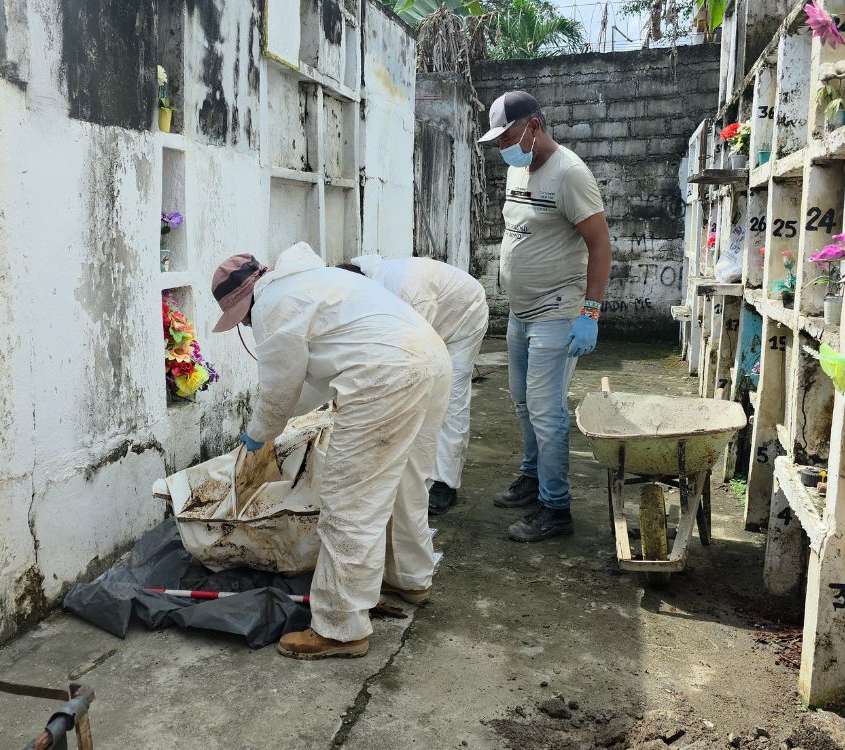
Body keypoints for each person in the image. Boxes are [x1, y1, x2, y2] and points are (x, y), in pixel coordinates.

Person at [209, 243, 450, 660]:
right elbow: (312, 380)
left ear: (245, 301)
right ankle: (409, 577)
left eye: (241, 318)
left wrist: (258, 434)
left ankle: (340, 627)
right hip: (430, 358)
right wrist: (270, 427)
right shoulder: (314, 282)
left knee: (349, 499)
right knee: (406, 481)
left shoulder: (273, 307)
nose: (246, 325)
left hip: (386, 376)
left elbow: (279, 393)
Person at [477, 90, 612, 543]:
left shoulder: (570, 174)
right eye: (496, 140)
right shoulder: (519, 167)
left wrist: (589, 312)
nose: (502, 148)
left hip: (557, 309)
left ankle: (556, 509)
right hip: (521, 312)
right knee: (522, 403)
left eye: (507, 136)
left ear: (533, 126)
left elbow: (600, 245)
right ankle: (532, 478)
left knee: (546, 410)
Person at [339, 255, 489, 515]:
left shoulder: (407, 294)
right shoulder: (363, 289)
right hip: (432, 311)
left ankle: (444, 483)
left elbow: (414, 354)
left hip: (463, 317)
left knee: (447, 399)